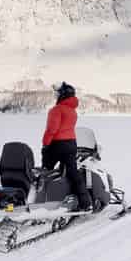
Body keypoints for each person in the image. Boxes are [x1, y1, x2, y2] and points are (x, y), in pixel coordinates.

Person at [41, 82, 92, 212]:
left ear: (63, 95)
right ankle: (85, 202)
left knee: (45, 173)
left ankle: (42, 202)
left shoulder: (56, 110)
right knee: (72, 173)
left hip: (56, 145)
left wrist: (45, 144)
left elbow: (52, 130)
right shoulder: (72, 111)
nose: (56, 96)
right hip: (71, 144)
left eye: (57, 94)